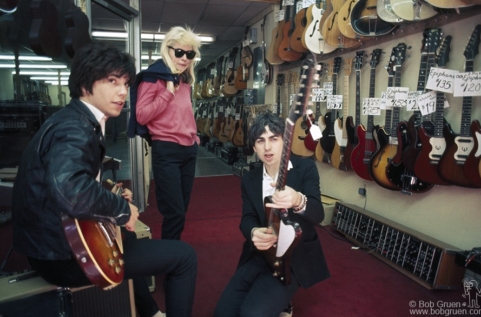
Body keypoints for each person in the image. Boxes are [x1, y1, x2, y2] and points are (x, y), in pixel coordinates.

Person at [11, 42, 197, 317]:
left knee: (127, 239)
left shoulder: (74, 119)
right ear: (86, 84)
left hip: (51, 245)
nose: (123, 91)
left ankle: (149, 311)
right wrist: (121, 209)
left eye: (124, 82)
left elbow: (66, 181)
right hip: (61, 256)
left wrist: (109, 194)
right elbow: (70, 189)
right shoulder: (74, 127)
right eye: (112, 81)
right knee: (185, 256)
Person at [213, 112, 330, 317]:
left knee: (251, 314)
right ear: (254, 146)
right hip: (259, 255)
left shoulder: (305, 168)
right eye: (261, 141)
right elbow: (247, 218)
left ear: (285, 141)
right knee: (222, 313)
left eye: (274, 139)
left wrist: (297, 200)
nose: (267, 147)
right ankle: (279, 302)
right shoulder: (250, 178)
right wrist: (253, 232)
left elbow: (318, 214)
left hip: (293, 258)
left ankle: (283, 301)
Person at [135, 26, 201, 240]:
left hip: (189, 150)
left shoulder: (184, 81)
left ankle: (172, 250)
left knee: (181, 210)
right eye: (179, 52)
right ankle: (170, 255)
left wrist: (195, 137)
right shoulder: (153, 78)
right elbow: (141, 115)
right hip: (167, 150)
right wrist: (166, 93)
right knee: (174, 212)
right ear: (168, 50)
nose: (184, 58)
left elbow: (185, 114)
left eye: (190, 54)